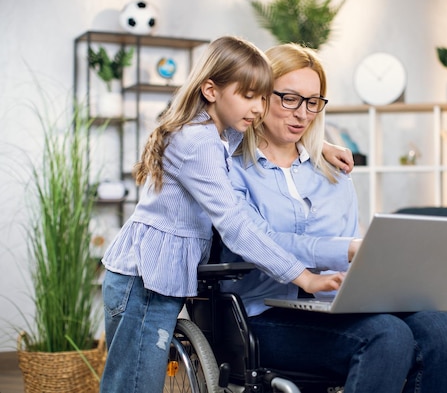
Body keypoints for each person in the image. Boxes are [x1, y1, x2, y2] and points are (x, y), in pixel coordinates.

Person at [99, 36, 354, 393]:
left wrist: (316, 143)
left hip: (155, 278)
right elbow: (235, 226)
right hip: (142, 281)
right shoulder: (198, 142)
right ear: (211, 90)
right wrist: (304, 278)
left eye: (264, 98)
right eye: (248, 96)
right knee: (133, 385)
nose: (258, 108)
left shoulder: (217, 133)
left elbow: (266, 135)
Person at [222, 43, 447, 393]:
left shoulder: (333, 171)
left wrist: (381, 275)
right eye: (289, 98)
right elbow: (259, 240)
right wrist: (345, 248)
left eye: (312, 102)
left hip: (330, 307)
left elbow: (353, 255)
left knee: (441, 329)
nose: (302, 113)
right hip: (261, 315)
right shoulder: (230, 169)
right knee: (387, 335)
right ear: (259, 95)